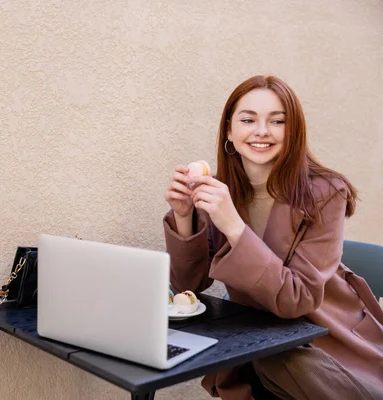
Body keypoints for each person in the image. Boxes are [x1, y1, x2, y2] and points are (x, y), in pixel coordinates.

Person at [163, 75, 383, 400]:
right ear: (229, 131)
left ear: (291, 131)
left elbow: (298, 299)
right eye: (248, 119)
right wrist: (184, 216)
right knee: (262, 358)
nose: (261, 131)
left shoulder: (325, 192)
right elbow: (189, 286)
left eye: (277, 121)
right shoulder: (222, 194)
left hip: (325, 347)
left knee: (276, 360)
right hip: (256, 346)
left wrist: (234, 227)